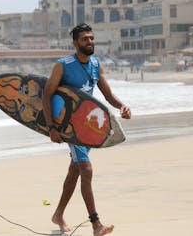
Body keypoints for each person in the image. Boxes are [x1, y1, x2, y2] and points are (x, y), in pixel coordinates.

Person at [43, 23, 131, 236]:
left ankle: (58, 215)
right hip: (68, 125)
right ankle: (96, 224)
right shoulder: (62, 65)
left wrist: (122, 106)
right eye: (84, 39)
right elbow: (47, 95)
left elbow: (107, 95)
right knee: (86, 169)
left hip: (87, 125)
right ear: (75, 43)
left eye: (91, 38)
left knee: (74, 170)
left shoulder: (95, 64)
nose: (90, 42)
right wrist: (52, 128)